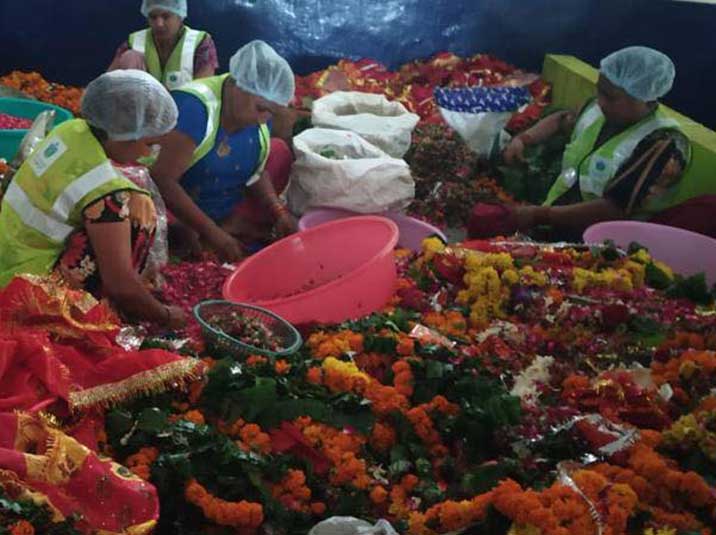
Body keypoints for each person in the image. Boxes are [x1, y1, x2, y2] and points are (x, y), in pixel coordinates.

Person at [0, 70, 186, 328]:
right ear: (127, 135)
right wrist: (166, 315)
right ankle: (84, 312)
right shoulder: (107, 193)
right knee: (139, 212)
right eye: (150, 143)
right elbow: (121, 286)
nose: (150, 154)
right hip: (25, 287)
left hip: (7, 253)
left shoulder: (70, 128)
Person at [471, 46, 714, 240]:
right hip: (551, 225)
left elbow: (614, 208)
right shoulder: (598, 110)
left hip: (601, 246)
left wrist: (536, 215)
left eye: (611, 97)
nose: (601, 102)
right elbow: (562, 119)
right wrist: (523, 140)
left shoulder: (664, 143)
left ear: (644, 98)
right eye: (600, 92)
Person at [152, 40, 300, 262]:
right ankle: (205, 231)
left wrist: (277, 210)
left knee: (279, 152)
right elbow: (162, 179)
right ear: (237, 85)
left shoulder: (261, 115)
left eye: (270, 112)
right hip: (173, 202)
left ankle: (226, 224)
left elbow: (255, 173)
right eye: (260, 109)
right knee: (171, 229)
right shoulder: (194, 107)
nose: (263, 119)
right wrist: (212, 232)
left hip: (221, 197)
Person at [109, 0, 218, 90]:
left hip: (184, 109)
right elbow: (108, 82)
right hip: (139, 110)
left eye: (166, 16)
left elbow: (203, 90)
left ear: (180, 16)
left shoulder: (200, 42)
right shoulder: (134, 41)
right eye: (153, 17)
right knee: (130, 56)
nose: (159, 24)